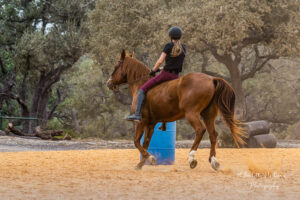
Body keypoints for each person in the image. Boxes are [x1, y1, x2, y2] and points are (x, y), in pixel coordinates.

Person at [125, 26, 186, 122]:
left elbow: (160, 61)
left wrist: (153, 70)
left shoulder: (168, 46)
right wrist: (160, 69)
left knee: (142, 90)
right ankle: (164, 122)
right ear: (180, 37)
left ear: (170, 36)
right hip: (175, 77)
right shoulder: (183, 48)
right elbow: (174, 64)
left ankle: (137, 114)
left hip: (165, 75)